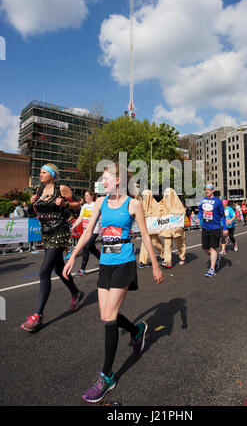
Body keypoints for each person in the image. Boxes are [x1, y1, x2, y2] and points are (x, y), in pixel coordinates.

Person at [63, 163, 163, 404]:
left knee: (109, 317)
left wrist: (156, 265)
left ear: (118, 180)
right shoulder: (99, 202)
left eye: (105, 178)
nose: (102, 181)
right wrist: (73, 255)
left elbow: (145, 234)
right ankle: (137, 330)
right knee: (106, 316)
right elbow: (88, 233)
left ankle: (106, 377)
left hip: (124, 262)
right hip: (106, 263)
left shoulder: (133, 204)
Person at [20, 164, 83, 333]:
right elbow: (36, 213)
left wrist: (65, 204)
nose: (39, 174)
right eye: (39, 171)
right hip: (46, 233)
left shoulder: (61, 188)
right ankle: (76, 292)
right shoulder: (39, 190)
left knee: (44, 272)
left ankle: (38, 315)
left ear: (52, 174)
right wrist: (33, 204)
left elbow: (78, 205)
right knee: (58, 267)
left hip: (60, 232)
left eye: (43, 172)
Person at [196, 184, 228, 277]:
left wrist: (225, 228)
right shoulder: (203, 200)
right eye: (206, 189)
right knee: (205, 248)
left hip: (215, 228)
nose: (207, 191)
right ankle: (216, 257)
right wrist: (198, 218)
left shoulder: (218, 202)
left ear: (213, 191)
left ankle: (212, 269)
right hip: (205, 227)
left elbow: (222, 215)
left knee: (212, 248)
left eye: (209, 190)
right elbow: (201, 211)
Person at [71, 190, 101, 276]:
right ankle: (105, 263)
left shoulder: (95, 205)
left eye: (87, 195)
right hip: (86, 231)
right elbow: (80, 218)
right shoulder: (84, 206)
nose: (85, 197)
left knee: (86, 247)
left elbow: (100, 217)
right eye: (85, 195)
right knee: (92, 249)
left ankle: (82, 270)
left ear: (92, 196)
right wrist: (73, 226)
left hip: (94, 230)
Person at [159, 188, 186, 269]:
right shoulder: (162, 203)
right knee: (167, 244)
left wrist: (171, 212)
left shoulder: (177, 204)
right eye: (165, 195)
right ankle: (168, 261)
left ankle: (182, 257)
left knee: (180, 244)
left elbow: (182, 213)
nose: (166, 196)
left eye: (168, 195)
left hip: (176, 228)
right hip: (167, 227)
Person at [138, 189, 164, 269]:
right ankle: (142, 261)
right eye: (143, 196)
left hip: (153, 227)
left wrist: (150, 215)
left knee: (155, 242)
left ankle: (164, 254)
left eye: (146, 196)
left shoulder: (156, 204)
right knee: (145, 242)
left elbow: (160, 214)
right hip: (145, 227)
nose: (145, 197)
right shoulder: (142, 204)